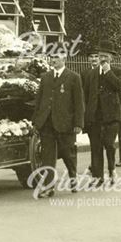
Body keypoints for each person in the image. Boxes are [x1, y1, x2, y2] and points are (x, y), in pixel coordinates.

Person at [32, 52, 84, 198]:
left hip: (66, 123)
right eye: (52, 57)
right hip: (47, 122)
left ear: (64, 59)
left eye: (57, 57)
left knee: (68, 153)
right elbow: (39, 100)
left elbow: (79, 103)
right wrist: (36, 120)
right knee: (47, 155)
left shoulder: (74, 77)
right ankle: (48, 187)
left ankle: (73, 177)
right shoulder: (45, 77)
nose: (53, 60)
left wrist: (78, 123)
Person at [83, 41, 121, 185]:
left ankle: (112, 169)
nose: (102, 59)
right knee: (95, 146)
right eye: (100, 56)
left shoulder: (117, 72)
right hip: (95, 116)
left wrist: (108, 72)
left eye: (105, 56)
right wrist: (86, 117)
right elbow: (86, 96)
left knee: (109, 144)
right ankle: (97, 177)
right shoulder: (90, 74)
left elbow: (119, 86)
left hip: (111, 116)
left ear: (111, 58)